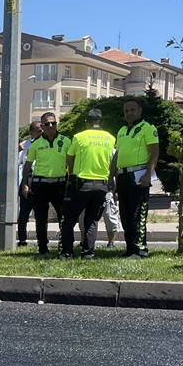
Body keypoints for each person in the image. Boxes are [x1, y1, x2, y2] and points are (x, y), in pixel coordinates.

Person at [62, 109, 114, 259]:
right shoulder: (110, 138)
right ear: (102, 122)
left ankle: (67, 252)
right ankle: (88, 253)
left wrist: (71, 174)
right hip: (101, 185)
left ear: (86, 122)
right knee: (92, 221)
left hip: (81, 184)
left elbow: (69, 158)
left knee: (68, 220)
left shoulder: (79, 137)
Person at [111, 98, 160, 259]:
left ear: (140, 111)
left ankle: (140, 250)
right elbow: (117, 155)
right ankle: (130, 248)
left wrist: (148, 173)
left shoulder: (147, 128)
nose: (129, 113)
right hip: (123, 176)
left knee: (137, 215)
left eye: (132, 110)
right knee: (125, 215)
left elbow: (154, 152)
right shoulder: (122, 130)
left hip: (139, 176)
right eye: (126, 111)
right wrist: (112, 176)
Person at [21, 113, 70, 255]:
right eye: (47, 124)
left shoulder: (66, 141)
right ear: (41, 126)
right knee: (41, 219)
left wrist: (71, 180)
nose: (50, 126)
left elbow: (71, 162)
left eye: (53, 123)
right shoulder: (35, 143)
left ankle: (65, 247)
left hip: (59, 184)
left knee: (64, 217)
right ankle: (43, 247)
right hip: (40, 184)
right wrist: (25, 184)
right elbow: (27, 165)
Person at [17, 120, 42, 245]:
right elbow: (18, 162)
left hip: (40, 181)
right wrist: (17, 149)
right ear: (31, 133)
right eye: (38, 131)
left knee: (40, 213)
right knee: (24, 214)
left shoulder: (47, 144)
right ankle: (22, 239)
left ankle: (41, 240)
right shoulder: (25, 145)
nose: (41, 132)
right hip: (27, 180)